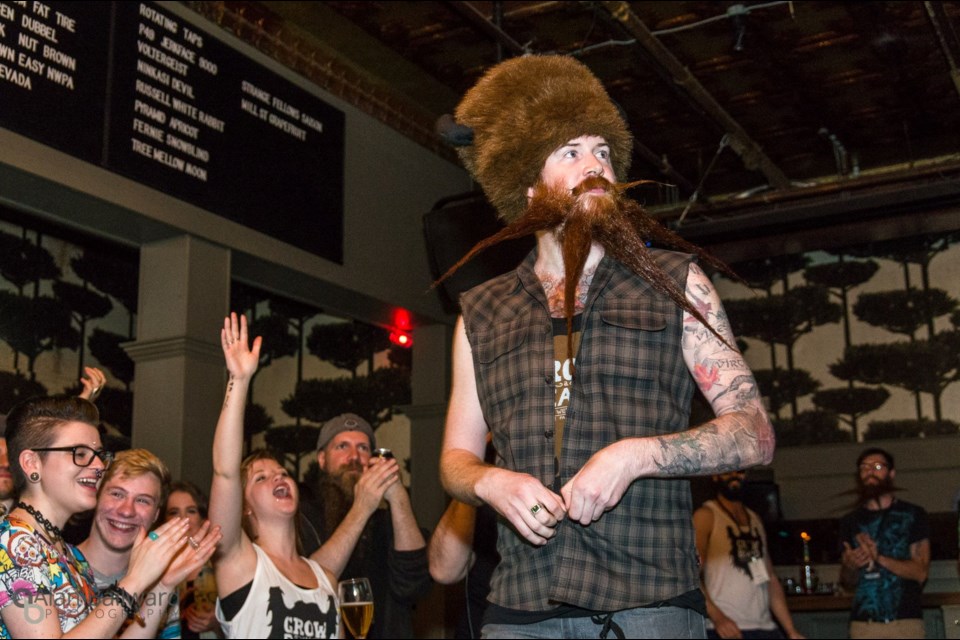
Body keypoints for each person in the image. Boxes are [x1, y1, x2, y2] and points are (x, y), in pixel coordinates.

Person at [437, 54, 775, 638]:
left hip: (650, 606)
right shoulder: (480, 313)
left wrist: (635, 456)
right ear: (529, 188)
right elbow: (454, 459)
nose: (595, 166)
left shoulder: (675, 283)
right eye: (570, 153)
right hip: (520, 612)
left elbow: (755, 432)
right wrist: (491, 482)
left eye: (603, 152)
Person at [0, 394, 218, 638]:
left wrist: (163, 585)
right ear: (32, 463)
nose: (99, 467)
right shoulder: (13, 542)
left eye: (99, 455)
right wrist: (134, 581)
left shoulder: (69, 554)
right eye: (80, 453)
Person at [209, 313, 340, 639]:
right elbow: (225, 472)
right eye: (260, 478)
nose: (278, 478)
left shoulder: (326, 579)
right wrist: (238, 381)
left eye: (282, 473)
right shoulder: (239, 562)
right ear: (245, 505)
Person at [299, 413, 432, 639]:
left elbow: (414, 585)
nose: (354, 457)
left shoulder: (387, 521)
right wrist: (362, 509)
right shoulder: (303, 517)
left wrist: (397, 494)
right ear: (322, 459)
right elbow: (309, 584)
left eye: (363, 448)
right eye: (342, 446)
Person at [78, 449, 205, 639]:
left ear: (155, 514)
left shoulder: (160, 583)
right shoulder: (57, 569)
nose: (127, 511)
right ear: (96, 497)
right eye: (117, 494)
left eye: (142, 500)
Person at [693, 471, 803, 639]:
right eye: (728, 470)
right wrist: (718, 618)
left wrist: (791, 630)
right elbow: (691, 574)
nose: (735, 475)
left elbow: (770, 578)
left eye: (740, 470)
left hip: (765, 626)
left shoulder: (755, 518)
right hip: (727, 629)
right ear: (715, 476)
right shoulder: (706, 516)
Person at [839, 447, 930, 639]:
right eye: (864, 468)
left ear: (892, 473)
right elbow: (848, 582)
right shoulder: (851, 521)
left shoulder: (912, 515)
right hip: (864, 623)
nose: (870, 471)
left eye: (877, 466)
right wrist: (850, 566)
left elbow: (920, 572)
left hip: (904, 622)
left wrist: (878, 557)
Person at [163, 481, 222, 638]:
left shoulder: (221, 563)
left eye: (191, 511)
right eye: (174, 512)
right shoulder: (157, 567)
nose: (183, 519)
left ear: (203, 518)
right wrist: (171, 610)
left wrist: (218, 623)